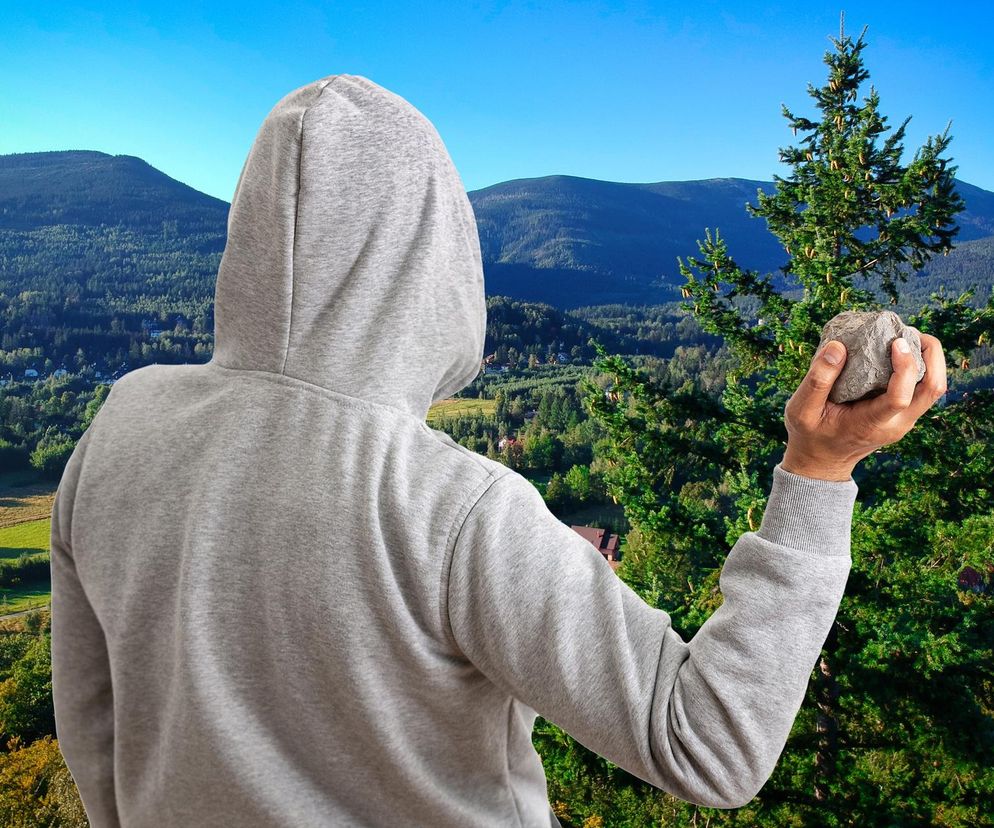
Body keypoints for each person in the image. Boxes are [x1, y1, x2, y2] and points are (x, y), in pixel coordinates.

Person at [49, 74, 947, 828]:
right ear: (434, 258)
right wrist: (819, 474)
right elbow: (709, 744)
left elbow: (94, 726)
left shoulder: (122, 429)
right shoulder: (448, 506)